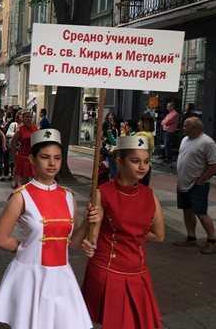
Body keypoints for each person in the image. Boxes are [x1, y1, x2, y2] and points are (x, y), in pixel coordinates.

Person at [0, 129, 99, 329]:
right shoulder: (21, 196)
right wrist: (28, 249)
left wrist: (85, 224)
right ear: (32, 159)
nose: (52, 163)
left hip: (61, 276)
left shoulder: (68, 197)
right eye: (45, 157)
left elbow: (70, 246)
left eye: (57, 158)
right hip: (31, 276)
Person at [82, 135, 165, 329]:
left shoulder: (149, 195)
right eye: (135, 161)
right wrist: (89, 242)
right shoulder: (102, 192)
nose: (142, 167)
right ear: (119, 161)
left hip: (138, 271)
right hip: (107, 269)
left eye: (146, 162)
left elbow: (159, 235)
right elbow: (93, 235)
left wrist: (129, 236)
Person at [174, 117, 216, 254]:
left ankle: (212, 240)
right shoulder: (184, 140)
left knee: (201, 213)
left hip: (197, 185)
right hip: (183, 182)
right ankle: (191, 238)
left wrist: (201, 180)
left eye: (185, 126)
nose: (182, 128)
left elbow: (215, 164)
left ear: (195, 128)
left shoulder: (207, 142)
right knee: (187, 211)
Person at [10, 109, 38, 187]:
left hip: (33, 156)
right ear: (23, 118)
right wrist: (14, 154)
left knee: (35, 179)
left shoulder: (36, 129)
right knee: (24, 181)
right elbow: (12, 143)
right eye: (27, 117)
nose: (29, 118)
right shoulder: (20, 130)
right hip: (23, 156)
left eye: (31, 117)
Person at [136, 113, 155, 185]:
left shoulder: (143, 135)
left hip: (139, 166)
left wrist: (123, 132)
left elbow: (128, 146)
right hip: (147, 165)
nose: (138, 123)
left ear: (144, 123)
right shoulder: (150, 134)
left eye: (139, 121)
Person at [101, 112, 119, 179]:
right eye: (109, 115)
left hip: (112, 146)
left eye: (112, 115)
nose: (110, 116)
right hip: (107, 145)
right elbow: (104, 133)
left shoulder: (115, 128)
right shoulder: (105, 124)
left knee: (111, 163)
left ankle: (112, 177)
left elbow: (114, 138)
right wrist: (104, 139)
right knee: (106, 161)